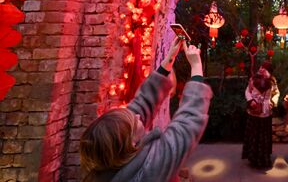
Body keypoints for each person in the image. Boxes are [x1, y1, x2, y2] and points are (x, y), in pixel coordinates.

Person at [80, 37, 212, 182]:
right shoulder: (150, 169)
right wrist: (197, 67)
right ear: (131, 143)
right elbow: (187, 125)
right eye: (134, 121)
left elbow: (142, 103)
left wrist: (168, 61)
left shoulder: (111, 162)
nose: (137, 116)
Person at [241, 61, 280, 169]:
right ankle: (253, 158)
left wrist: (273, 102)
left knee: (264, 137)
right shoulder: (253, 79)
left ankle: (264, 158)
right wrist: (251, 101)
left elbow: (276, 93)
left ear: (269, 72)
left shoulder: (272, 81)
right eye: (261, 67)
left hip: (266, 112)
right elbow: (247, 91)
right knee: (254, 135)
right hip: (254, 112)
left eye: (265, 68)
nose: (262, 69)